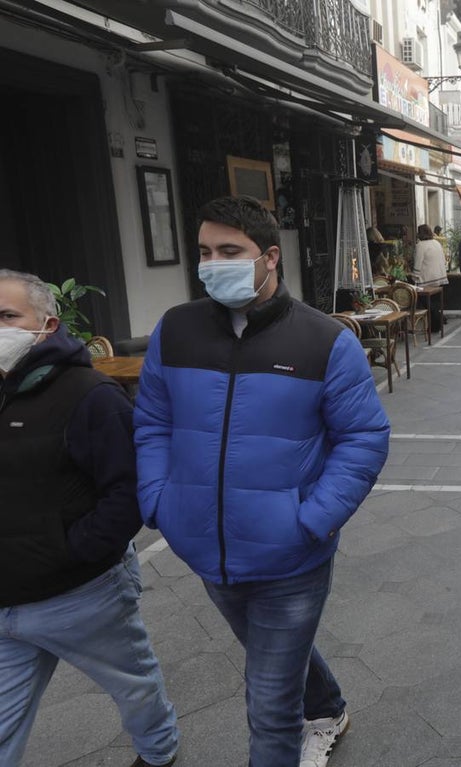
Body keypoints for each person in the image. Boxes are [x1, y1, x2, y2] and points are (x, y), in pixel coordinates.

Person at [134, 196, 390, 767]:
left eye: (230, 251)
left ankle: (309, 724)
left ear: (269, 257)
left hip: (292, 556)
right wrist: (159, 500)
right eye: (204, 252)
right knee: (272, 651)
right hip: (205, 547)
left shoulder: (325, 341)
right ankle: (328, 707)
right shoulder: (176, 331)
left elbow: (364, 438)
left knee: (270, 703)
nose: (212, 263)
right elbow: (153, 420)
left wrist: (312, 519)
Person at [0, 270, 179, 767]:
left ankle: (159, 749)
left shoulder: (90, 396)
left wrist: (71, 551)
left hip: (81, 594)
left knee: (134, 685)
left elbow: (127, 493)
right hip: (6, 600)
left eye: (7, 316)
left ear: (47, 324)